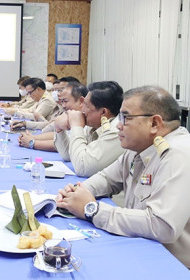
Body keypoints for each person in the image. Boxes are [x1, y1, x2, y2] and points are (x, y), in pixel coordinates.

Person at [55, 86, 190, 268]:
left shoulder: (178, 154)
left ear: (155, 124)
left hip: (172, 265)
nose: (118, 124)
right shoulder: (139, 148)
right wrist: (77, 192)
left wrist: (92, 210)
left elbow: (162, 226)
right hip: (143, 249)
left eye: (125, 118)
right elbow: (106, 178)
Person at [54, 81, 125, 177]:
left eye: (86, 106)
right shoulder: (95, 124)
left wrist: (76, 126)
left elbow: (83, 168)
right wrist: (59, 129)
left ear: (103, 112)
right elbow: (69, 156)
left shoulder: (116, 131)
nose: (82, 109)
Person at [17, 82, 88, 152]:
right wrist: (33, 138)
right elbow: (57, 135)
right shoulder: (70, 114)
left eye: (65, 101)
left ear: (81, 101)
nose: (63, 106)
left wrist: (32, 143)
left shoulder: (86, 119)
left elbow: (68, 145)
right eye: (62, 101)